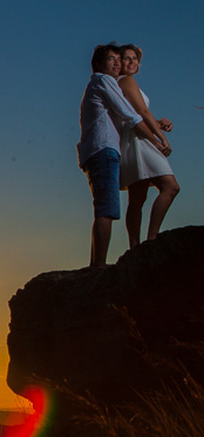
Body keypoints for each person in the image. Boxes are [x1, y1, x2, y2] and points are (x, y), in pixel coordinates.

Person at [76, 44, 164, 269]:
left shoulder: (97, 84)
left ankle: (96, 264)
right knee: (106, 209)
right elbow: (131, 116)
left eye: (119, 59)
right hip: (103, 149)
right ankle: (99, 266)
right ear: (99, 63)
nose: (117, 63)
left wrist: (158, 124)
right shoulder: (104, 81)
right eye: (111, 59)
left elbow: (127, 117)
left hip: (97, 150)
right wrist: (156, 141)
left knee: (104, 208)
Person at [117, 44, 178, 248]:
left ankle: (135, 246)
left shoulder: (127, 83)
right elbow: (142, 111)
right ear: (119, 62)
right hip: (138, 140)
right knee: (170, 187)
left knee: (138, 196)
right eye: (127, 58)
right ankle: (151, 239)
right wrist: (162, 139)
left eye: (135, 58)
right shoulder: (126, 81)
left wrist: (159, 122)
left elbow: (142, 113)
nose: (133, 62)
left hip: (136, 137)